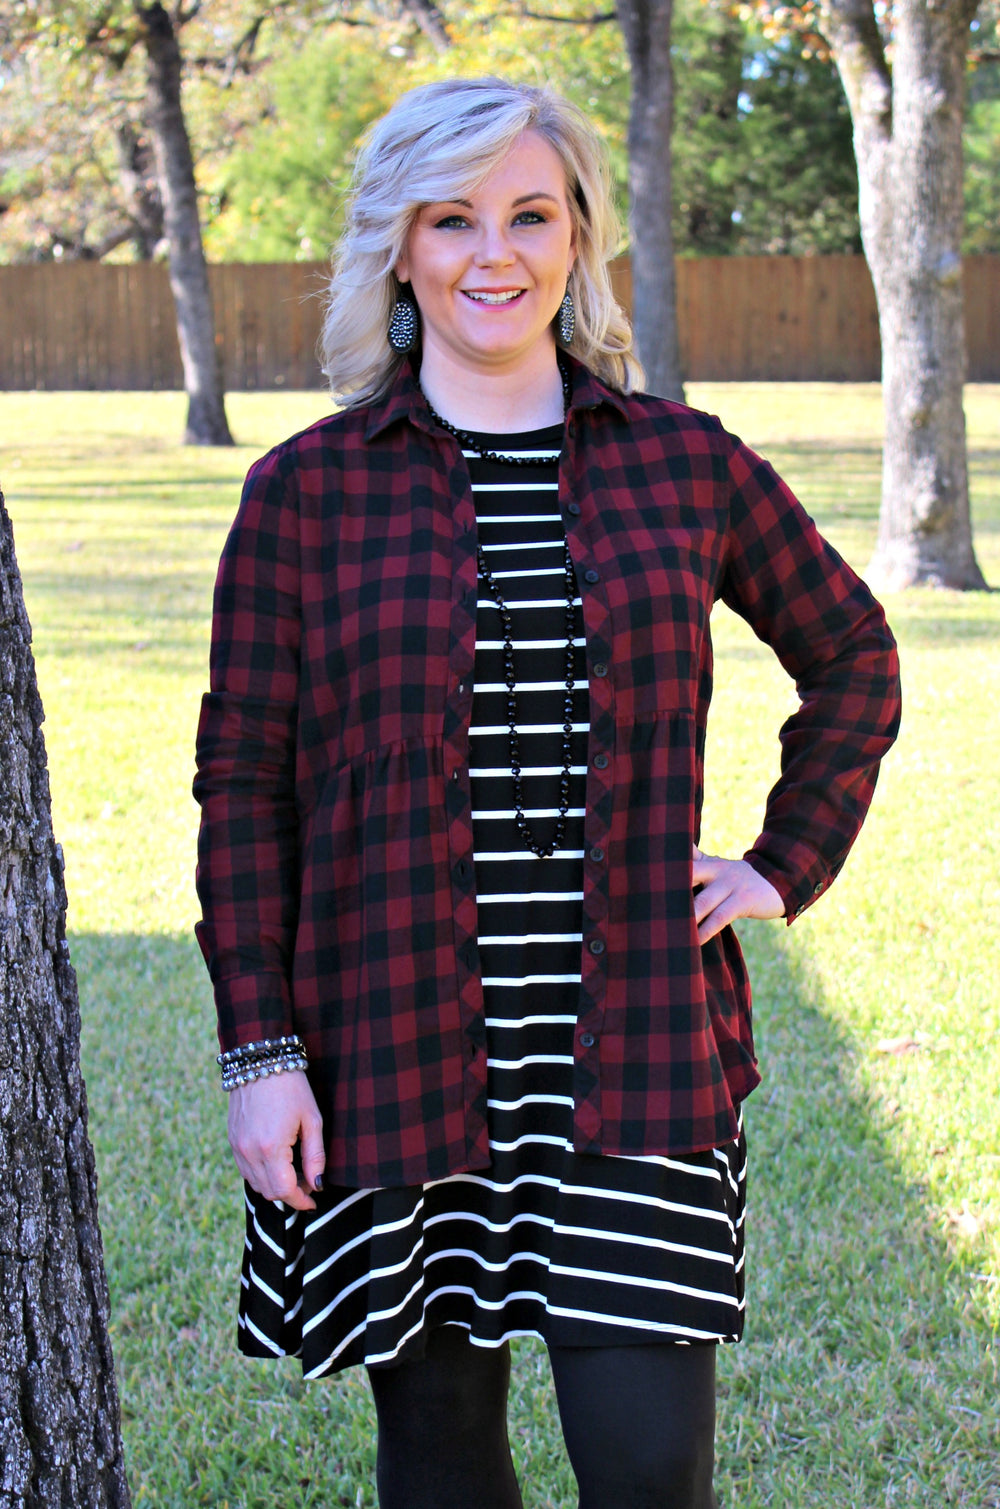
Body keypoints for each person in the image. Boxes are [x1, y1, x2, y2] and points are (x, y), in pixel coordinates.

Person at [193, 77, 901, 1509]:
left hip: (632, 1049)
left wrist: (780, 863)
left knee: (651, 1471)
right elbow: (240, 789)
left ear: (578, 236)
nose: (492, 253)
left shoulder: (684, 465)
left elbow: (854, 655)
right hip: (388, 1047)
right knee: (443, 1458)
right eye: (450, 219)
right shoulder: (304, 494)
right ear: (398, 248)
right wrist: (261, 1056)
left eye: (530, 213)